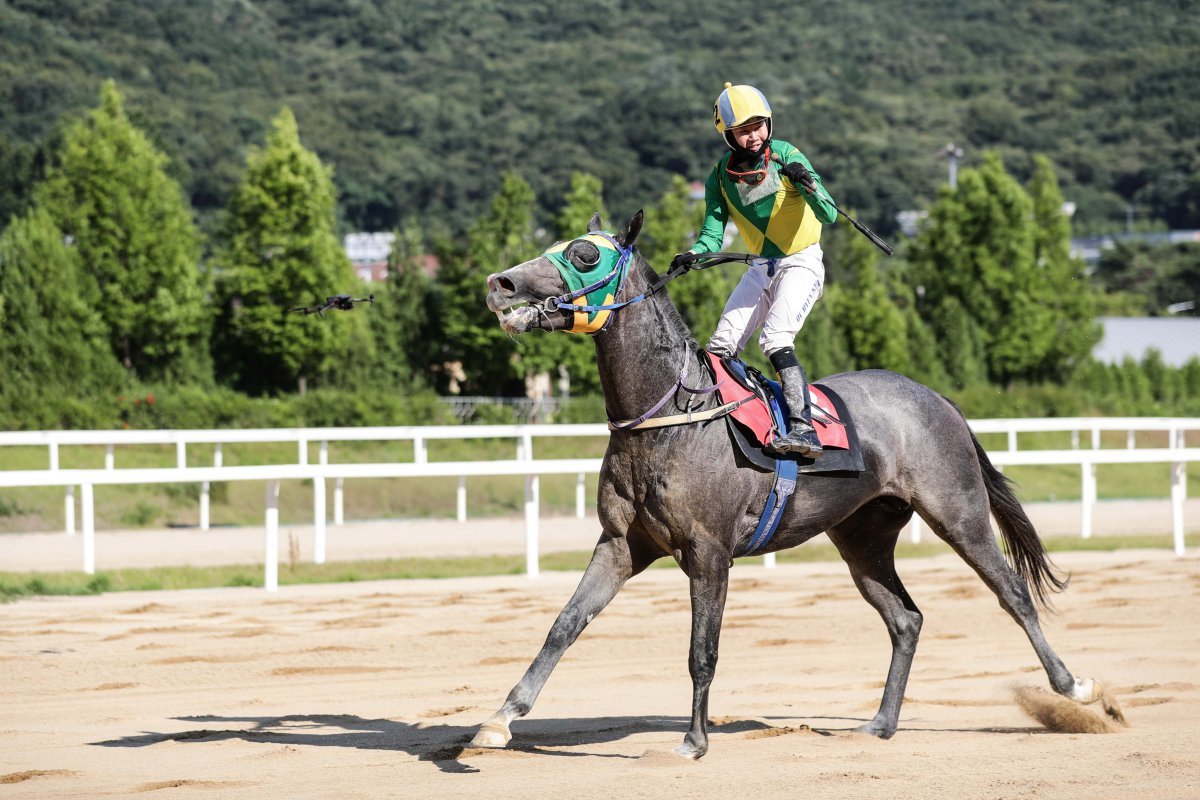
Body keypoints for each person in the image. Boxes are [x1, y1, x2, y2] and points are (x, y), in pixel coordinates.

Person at [672, 82, 837, 457]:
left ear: (769, 123)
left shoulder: (787, 154)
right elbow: (711, 235)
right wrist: (693, 254)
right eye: (743, 130)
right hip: (762, 266)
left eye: (758, 126)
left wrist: (807, 182)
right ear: (728, 136)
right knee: (719, 348)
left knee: (775, 338)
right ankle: (729, 424)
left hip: (802, 261)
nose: (754, 136)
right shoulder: (718, 177)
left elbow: (829, 214)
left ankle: (803, 429)